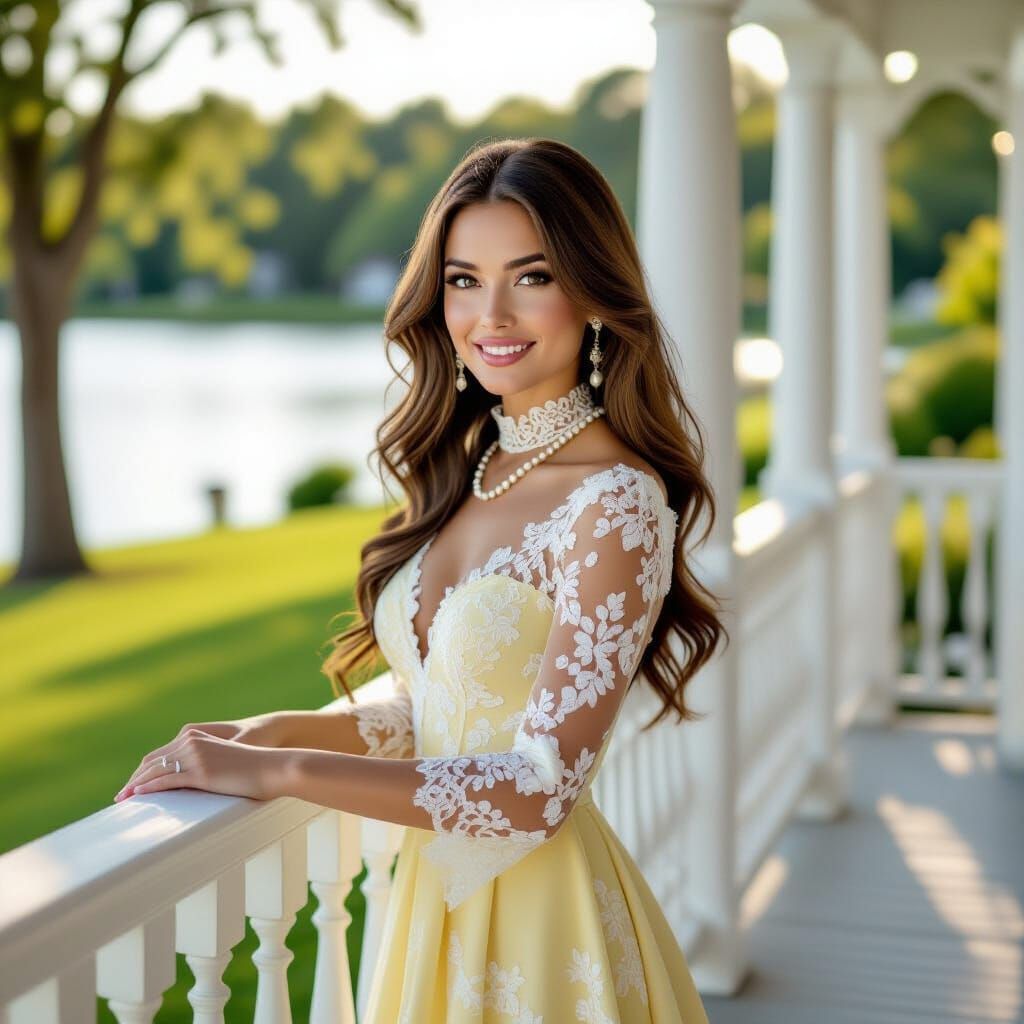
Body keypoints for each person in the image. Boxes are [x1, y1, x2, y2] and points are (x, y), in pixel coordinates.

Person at [115, 137, 728, 1022]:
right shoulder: (474, 469)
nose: (492, 316)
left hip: (541, 935)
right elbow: (436, 713)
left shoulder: (614, 504)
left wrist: (281, 769)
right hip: (431, 910)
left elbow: (538, 790)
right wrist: (268, 730)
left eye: (532, 276)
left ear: (595, 291)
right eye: (463, 281)